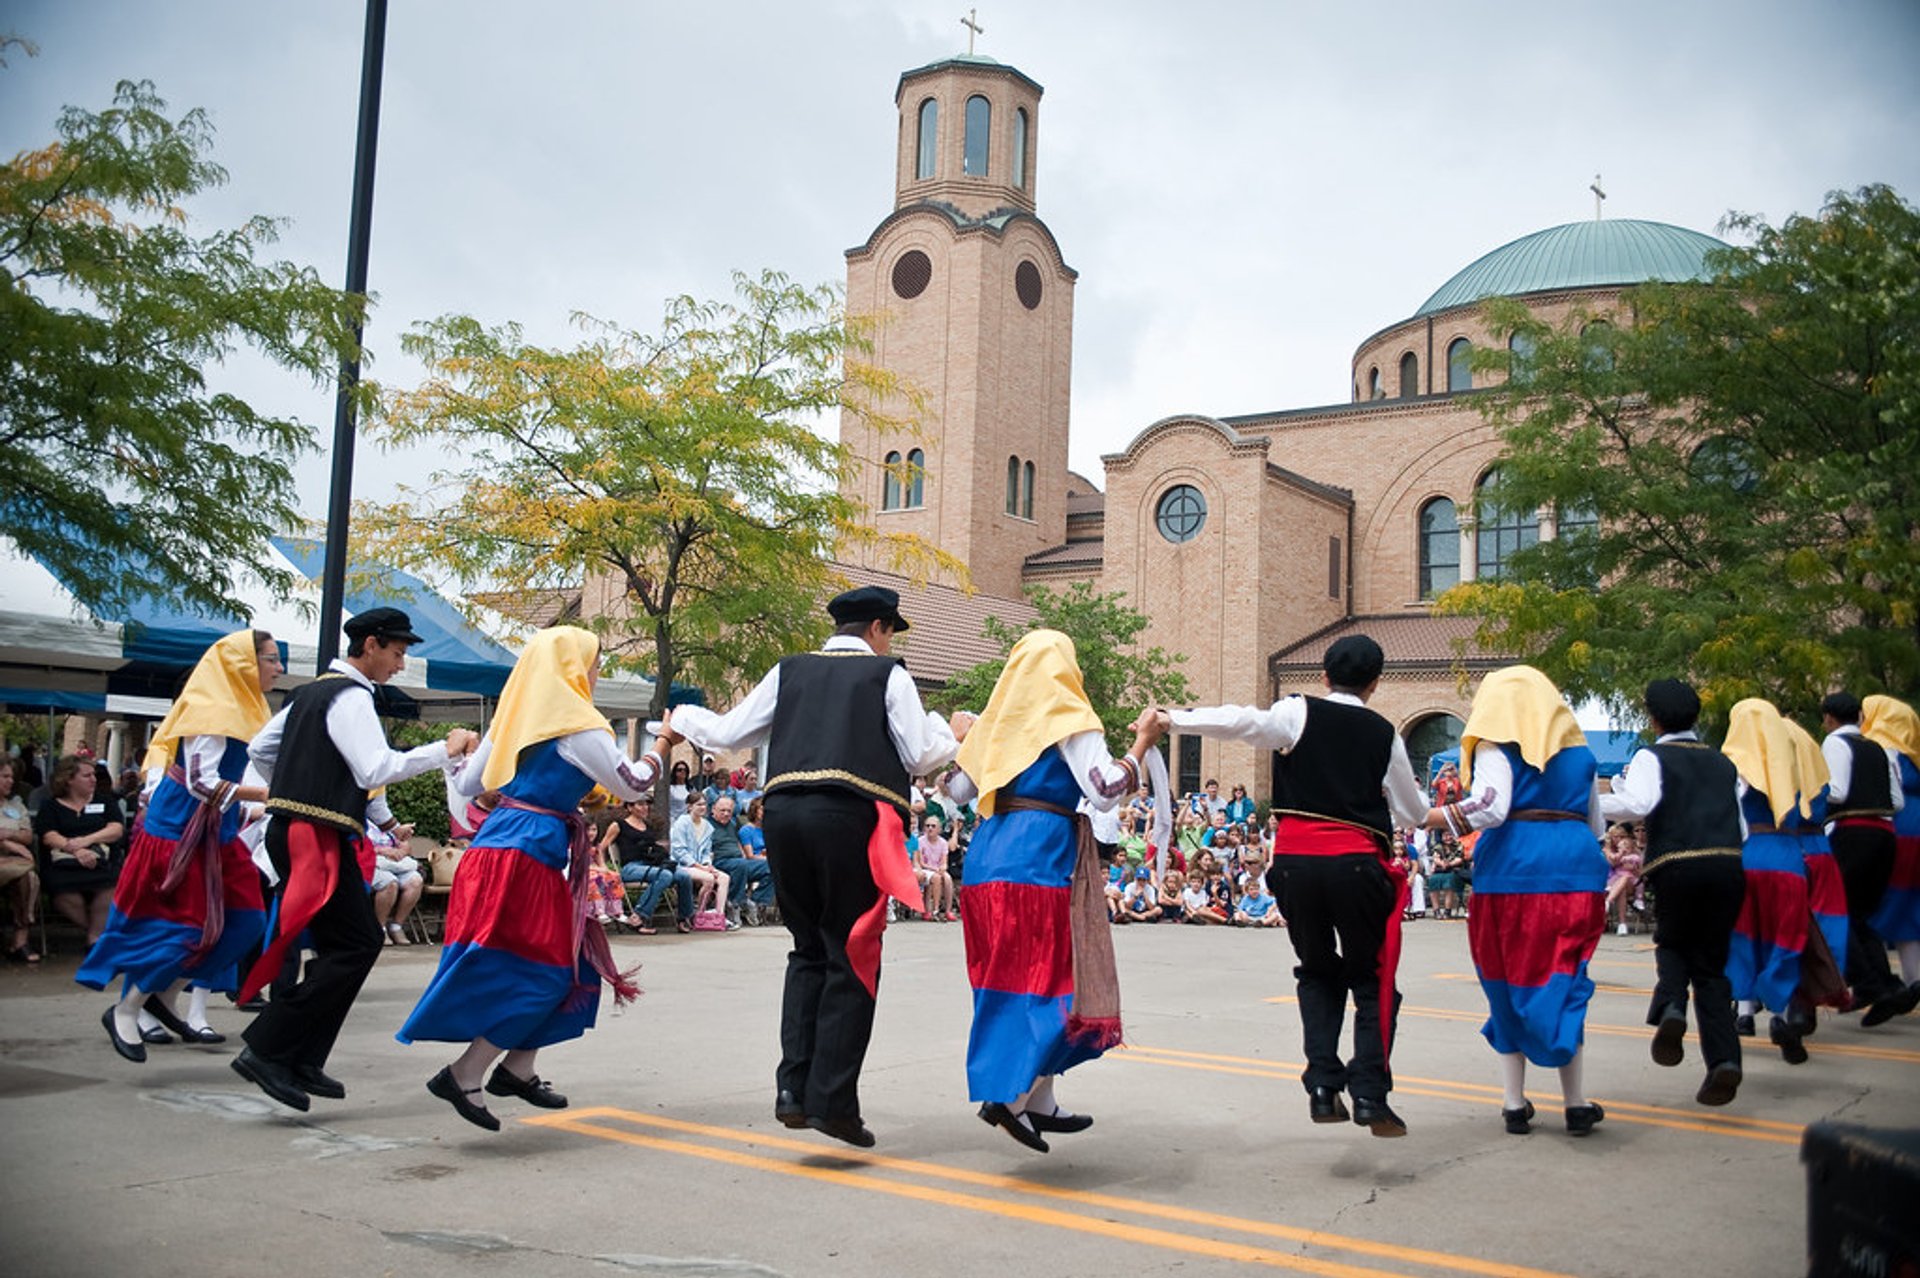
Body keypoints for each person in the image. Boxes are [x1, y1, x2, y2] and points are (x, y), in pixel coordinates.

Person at [672, 585, 965, 1148]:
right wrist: (949, 732)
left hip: (783, 814)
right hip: (847, 817)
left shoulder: (790, 670)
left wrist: (683, 715)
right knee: (851, 950)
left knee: (806, 948)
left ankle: (793, 1090)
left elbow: (730, 733)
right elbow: (921, 755)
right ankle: (832, 1101)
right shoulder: (888, 675)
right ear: (879, 628)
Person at [400, 626, 671, 1130]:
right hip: (524, 856)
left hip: (499, 850)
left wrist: (462, 751)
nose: (597, 673)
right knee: (542, 972)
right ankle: (465, 1073)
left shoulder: (513, 720)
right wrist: (663, 743)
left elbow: (467, 785)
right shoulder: (578, 724)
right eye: (594, 663)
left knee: (571, 961)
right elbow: (632, 781)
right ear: (572, 668)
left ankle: (518, 1068)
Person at [1159, 633, 1427, 1136]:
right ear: (1375, 683)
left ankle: (1323, 1085)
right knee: (1372, 980)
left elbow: (1243, 721)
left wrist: (1175, 717)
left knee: (1318, 970)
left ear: (1324, 676)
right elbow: (1412, 811)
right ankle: (1369, 1093)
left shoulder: (1297, 712)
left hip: (1297, 864)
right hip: (1355, 864)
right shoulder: (1383, 733)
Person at [232, 607, 477, 1114]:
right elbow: (374, 767)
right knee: (358, 943)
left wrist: (296, 784)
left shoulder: (313, 693)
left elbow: (261, 747)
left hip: (304, 830)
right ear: (369, 645)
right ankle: (269, 1047)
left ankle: (300, 1055)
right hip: (314, 835)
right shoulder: (350, 695)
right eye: (396, 651)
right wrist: (444, 749)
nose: (400, 663)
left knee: (339, 946)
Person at [943, 629, 1161, 1152]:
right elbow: (1105, 791)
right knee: (1050, 983)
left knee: (1004, 981)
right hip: (1038, 862)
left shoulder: (997, 722)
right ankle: (1009, 1096)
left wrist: (961, 742)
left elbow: (955, 790)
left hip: (987, 861)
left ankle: (1039, 1099)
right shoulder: (1067, 716)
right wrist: (1141, 745)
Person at [78, 630, 282, 1060]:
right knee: (184, 928)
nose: (279, 668)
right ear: (244, 664)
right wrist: (265, 798)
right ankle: (127, 1009)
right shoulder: (212, 708)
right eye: (271, 659)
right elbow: (201, 782)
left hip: (216, 832)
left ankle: (163, 997)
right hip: (179, 833)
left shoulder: (251, 707)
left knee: (245, 922)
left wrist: (259, 806)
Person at [1427, 665, 1608, 1136]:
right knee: (1568, 978)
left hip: (1511, 868)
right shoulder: (1581, 755)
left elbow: (1491, 807)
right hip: (1575, 868)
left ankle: (1513, 1103)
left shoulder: (1493, 747)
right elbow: (1596, 825)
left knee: (1505, 977)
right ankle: (1575, 1103)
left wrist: (1430, 817)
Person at [1599, 679, 1747, 1107]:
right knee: (1713, 967)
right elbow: (1740, 828)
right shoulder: (1722, 763)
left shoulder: (1653, 755)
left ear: (1653, 716)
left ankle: (1671, 1008)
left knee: (1673, 942)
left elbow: (1637, 804)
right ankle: (1724, 1060)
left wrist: (1594, 799)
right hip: (1727, 865)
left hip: (1677, 865)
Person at [1821, 692, 1917, 1025]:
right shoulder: (1877, 747)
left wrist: (1813, 793)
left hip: (1853, 833)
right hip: (1884, 835)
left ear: (1829, 719)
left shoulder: (1834, 743)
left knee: (1840, 911)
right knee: (1862, 914)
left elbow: (1837, 791)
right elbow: (1897, 800)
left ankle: (1870, 983)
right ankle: (1886, 986)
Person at [34, 754, 127, 948]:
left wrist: (86, 841)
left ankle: (95, 939)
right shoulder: (51, 806)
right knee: (62, 892)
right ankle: (96, 932)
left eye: (94, 774)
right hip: (64, 863)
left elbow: (116, 829)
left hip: (101, 861)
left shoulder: (105, 802)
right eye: (87, 775)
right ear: (68, 779)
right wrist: (75, 850)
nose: (94, 779)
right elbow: (48, 835)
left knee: (110, 885)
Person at [1862, 695, 1920, 997]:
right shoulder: (1914, 752)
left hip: (1895, 828)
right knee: (1909, 909)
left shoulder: (1880, 748)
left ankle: (1876, 981)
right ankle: (1914, 980)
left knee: (1872, 905)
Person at [603, 797, 678, 934]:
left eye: (647, 804)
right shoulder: (619, 825)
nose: (645, 808)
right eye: (640, 804)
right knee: (665, 875)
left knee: (682, 875)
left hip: (649, 865)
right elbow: (603, 846)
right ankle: (638, 916)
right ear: (629, 807)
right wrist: (604, 866)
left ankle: (684, 917)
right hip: (630, 868)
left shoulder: (647, 826)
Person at [670, 793, 733, 928]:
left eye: (704, 804)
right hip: (683, 865)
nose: (703, 807)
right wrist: (699, 866)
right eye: (699, 804)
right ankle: (698, 914)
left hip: (701, 866)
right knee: (709, 879)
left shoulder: (707, 826)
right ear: (689, 807)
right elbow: (679, 851)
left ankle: (718, 915)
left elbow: (706, 852)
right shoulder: (682, 823)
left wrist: (707, 864)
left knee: (724, 878)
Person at [710, 794, 774, 926]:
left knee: (773, 867)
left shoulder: (733, 823)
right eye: (722, 810)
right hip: (719, 862)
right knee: (741, 864)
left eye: (729, 811)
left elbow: (738, 843)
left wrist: (743, 855)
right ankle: (735, 904)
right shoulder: (708, 825)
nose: (726, 814)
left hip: (739, 862)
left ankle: (756, 903)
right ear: (713, 809)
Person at [1, 760, 39, 963]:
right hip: (11, 858)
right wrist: (11, 843)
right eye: (5, 776)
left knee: (28, 878)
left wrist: (8, 835)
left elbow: (27, 836)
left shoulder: (16, 806)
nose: (10, 781)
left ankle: (20, 940)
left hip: (13, 865)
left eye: (11, 777)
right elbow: (20, 840)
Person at [1603, 826, 1643, 935]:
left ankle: (1608, 902)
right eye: (1616, 836)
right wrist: (1621, 853)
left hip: (1632, 883)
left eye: (1622, 836)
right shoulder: (1607, 850)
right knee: (1622, 888)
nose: (1619, 839)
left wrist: (1634, 869)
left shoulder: (1634, 851)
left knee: (1625, 878)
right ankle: (1622, 924)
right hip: (1610, 883)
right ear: (1611, 838)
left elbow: (1643, 874)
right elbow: (1613, 864)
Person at [914, 815, 956, 921]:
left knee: (948, 879)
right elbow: (921, 862)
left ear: (939, 829)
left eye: (933, 826)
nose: (930, 828)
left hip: (937, 868)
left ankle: (948, 910)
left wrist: (942, 868)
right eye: (927, 826)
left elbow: (944, 862)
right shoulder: (920, 841)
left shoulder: (943, 843)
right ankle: (932, 909)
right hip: (926, 868)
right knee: (935, 877)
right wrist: (935, 869)